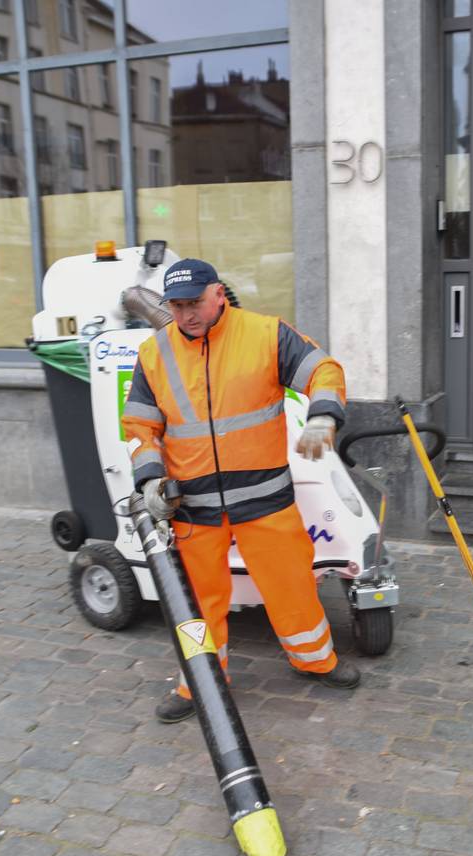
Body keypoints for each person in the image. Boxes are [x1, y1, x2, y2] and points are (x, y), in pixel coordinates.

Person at [121, 258, 361, 723]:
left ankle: (315, 659)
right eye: (177, 305)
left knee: (291, 587)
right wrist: (149, 478)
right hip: (191, 505)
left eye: (194, 302)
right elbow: (139, 427)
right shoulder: (155, 354)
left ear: (217, 294)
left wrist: (323, 414)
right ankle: (200, 680)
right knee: (195, 604)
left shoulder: (266, 334)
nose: (187, 313)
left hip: (264, 499)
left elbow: (323, 370)